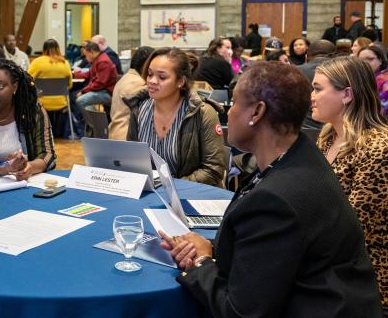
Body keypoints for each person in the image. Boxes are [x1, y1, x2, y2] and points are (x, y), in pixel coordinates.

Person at [160, 61, 382, 317]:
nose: (228, 113)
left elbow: (240, 312)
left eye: (234, 104)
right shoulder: (299, 154)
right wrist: (208, 247)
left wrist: (201, 264)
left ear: (256, 113)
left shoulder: (276, 200)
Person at [311, 56, 388, 311]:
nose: (311, 96)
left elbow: (353, 226)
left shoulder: (378, 148)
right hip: (332, 267)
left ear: (346, 94)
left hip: (368, 281)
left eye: (318, 89)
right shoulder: (327, 138)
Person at [125, 47, 226, 186]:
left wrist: (169, 186)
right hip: (152, 195)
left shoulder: (203, 113)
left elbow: (213, 171)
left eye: (162, 77)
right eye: (149, 74)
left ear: (181, 81)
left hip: (192, 196)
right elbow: (131, 159)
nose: (152, 81)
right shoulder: (139, 109)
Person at [27, 39, 73, 138]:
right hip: (61, 101)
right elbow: (69, 84)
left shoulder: (37, 62)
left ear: (44, 49)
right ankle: (58, 133)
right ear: (58, 48)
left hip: (41, 100)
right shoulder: (65, 62)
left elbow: (28, 79)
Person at [108, 46, 153, 140]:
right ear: (146, 65)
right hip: (127, 138)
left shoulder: (125, 78)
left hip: (116, 134)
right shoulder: (138, 83)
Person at [74, 42, 118, 117]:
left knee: (80, 101)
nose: (86, 58)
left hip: (107, 93)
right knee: (79, 98)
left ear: (92, 52)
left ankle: (93, 123)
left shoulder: (103, 62)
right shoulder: (98, 59)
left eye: (86, 55)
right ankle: (92, 122)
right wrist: (75, 74)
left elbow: (100, 83)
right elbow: (89, 74)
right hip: (101, 90)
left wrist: (83, 91)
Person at [359, 44, 388, 116]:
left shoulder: (384, 80)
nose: (365, 63)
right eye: (360, 60)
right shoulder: (359, 77)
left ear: (380, 60)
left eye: (370, 59)